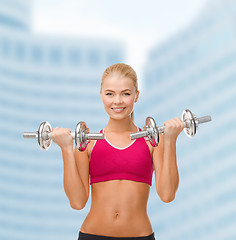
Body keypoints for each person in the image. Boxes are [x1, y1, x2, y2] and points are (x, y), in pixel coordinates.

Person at [51, 63, 184, 240]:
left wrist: (171, 139)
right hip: (92, 235)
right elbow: (77, 203)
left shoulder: (152, 142)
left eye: (126, 94)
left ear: (136, 96)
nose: (117, 101)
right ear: (101, 95)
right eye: (110, 94)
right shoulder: (88, 143)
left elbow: (167, 195)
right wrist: (66, 149)